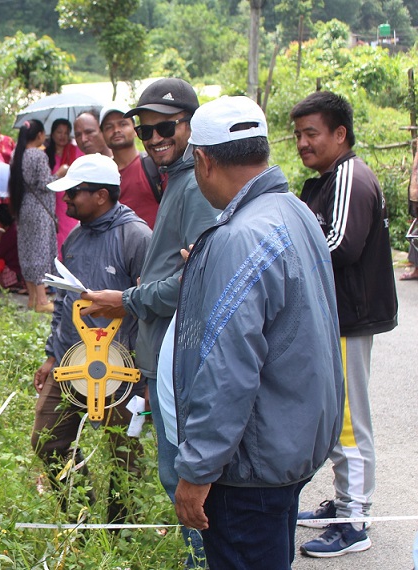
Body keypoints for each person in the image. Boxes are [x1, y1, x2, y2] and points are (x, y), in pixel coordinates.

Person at [172, 95, 343, 570]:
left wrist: (199, 467)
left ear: (203, 161)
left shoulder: (240, 236)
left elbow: (228, 369)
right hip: (289, 449)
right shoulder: (295, 212)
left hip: (248, 467)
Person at [82, 78, 218, 567]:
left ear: (192, 125)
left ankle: (202, 562)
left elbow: (200, 278)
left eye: (167, 127)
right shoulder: (179, 178)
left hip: (179, 355)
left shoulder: (197, 184)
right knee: (175, 473)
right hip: (162, 353)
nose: (155, 138)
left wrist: (129, 299)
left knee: (187, 479)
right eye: (147, 130)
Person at [291, 90, 399, 558]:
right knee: (337, 416)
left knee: (350, 421)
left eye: (311, 133)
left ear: (340, 134)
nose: (302, 143)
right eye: (297, 135)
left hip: (348, 318)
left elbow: (339, 244)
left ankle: (355, 521)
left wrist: (282, 259)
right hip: (331, 316)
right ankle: (342, 502)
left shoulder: (351, 175)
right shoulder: (321, 181)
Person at [33, 153, 151, 523]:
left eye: (74, 193)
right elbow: (65, 300)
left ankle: (122, 533)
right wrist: (53, 355)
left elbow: (155, 306)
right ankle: (79, 519)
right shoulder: (76, 240)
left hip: (119, 367)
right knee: (47, 441)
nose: (66, 200)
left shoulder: (137, 237)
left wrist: (148, 374)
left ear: (101, 195)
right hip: (71, 363)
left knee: (123, 457)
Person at [8, 119, 56, 313]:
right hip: (39, 208)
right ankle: (42, 301)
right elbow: (46, 183)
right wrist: (61, 173)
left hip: (23, 206)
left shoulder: (16, 155)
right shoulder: (38, 155)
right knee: (41, 250)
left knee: (27, 249)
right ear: (39, 136)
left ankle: (32, 298)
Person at [100, 102, 161, 228]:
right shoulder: (101, 177)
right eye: (109, 127)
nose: (116, 130)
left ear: (135, 130)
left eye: (123, 124)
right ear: (102, 134)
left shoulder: (154, 165)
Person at [45, 118, 82, 256]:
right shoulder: (45, 155)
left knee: (71, 230)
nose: (62, 136)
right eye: (59, 132)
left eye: (66, 133)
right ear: (52, 134)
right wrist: (58, 173)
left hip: (72, 197)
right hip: (52, 200)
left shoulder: (76, 151)